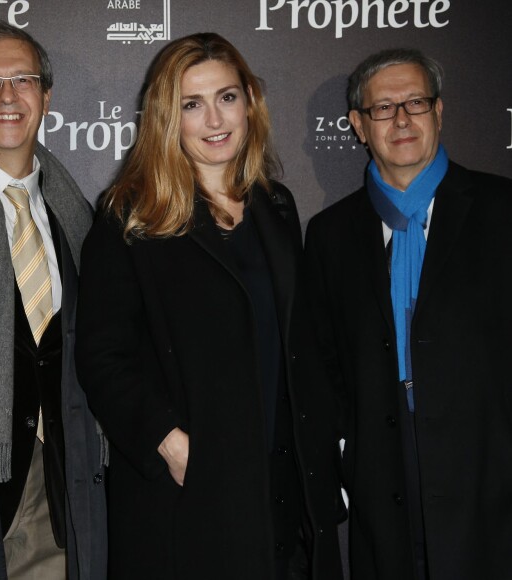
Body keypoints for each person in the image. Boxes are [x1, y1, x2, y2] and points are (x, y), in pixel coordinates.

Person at [76, 32, 344, 580]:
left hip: (280, 485)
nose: (214, 119)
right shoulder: (131, 215)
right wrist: (171, 445)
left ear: (250, 101)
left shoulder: (276, 205)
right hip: (188, 497)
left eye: (227, 96)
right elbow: (102, 355)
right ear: (166, 117)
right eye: (191, 105)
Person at [305, 48, 512, 580]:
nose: (401, 119)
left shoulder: (501, 210)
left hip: (490, 485)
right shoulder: (329, 235)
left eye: (416, 103)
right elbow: (325, 364)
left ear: (439, 112)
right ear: (357, 124)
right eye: (383, 108)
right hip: (384, 486)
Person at [0, 21, 107, 579]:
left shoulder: (85, 220)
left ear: (46, 96)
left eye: (23, 79)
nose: (8, 95)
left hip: (61, 488)